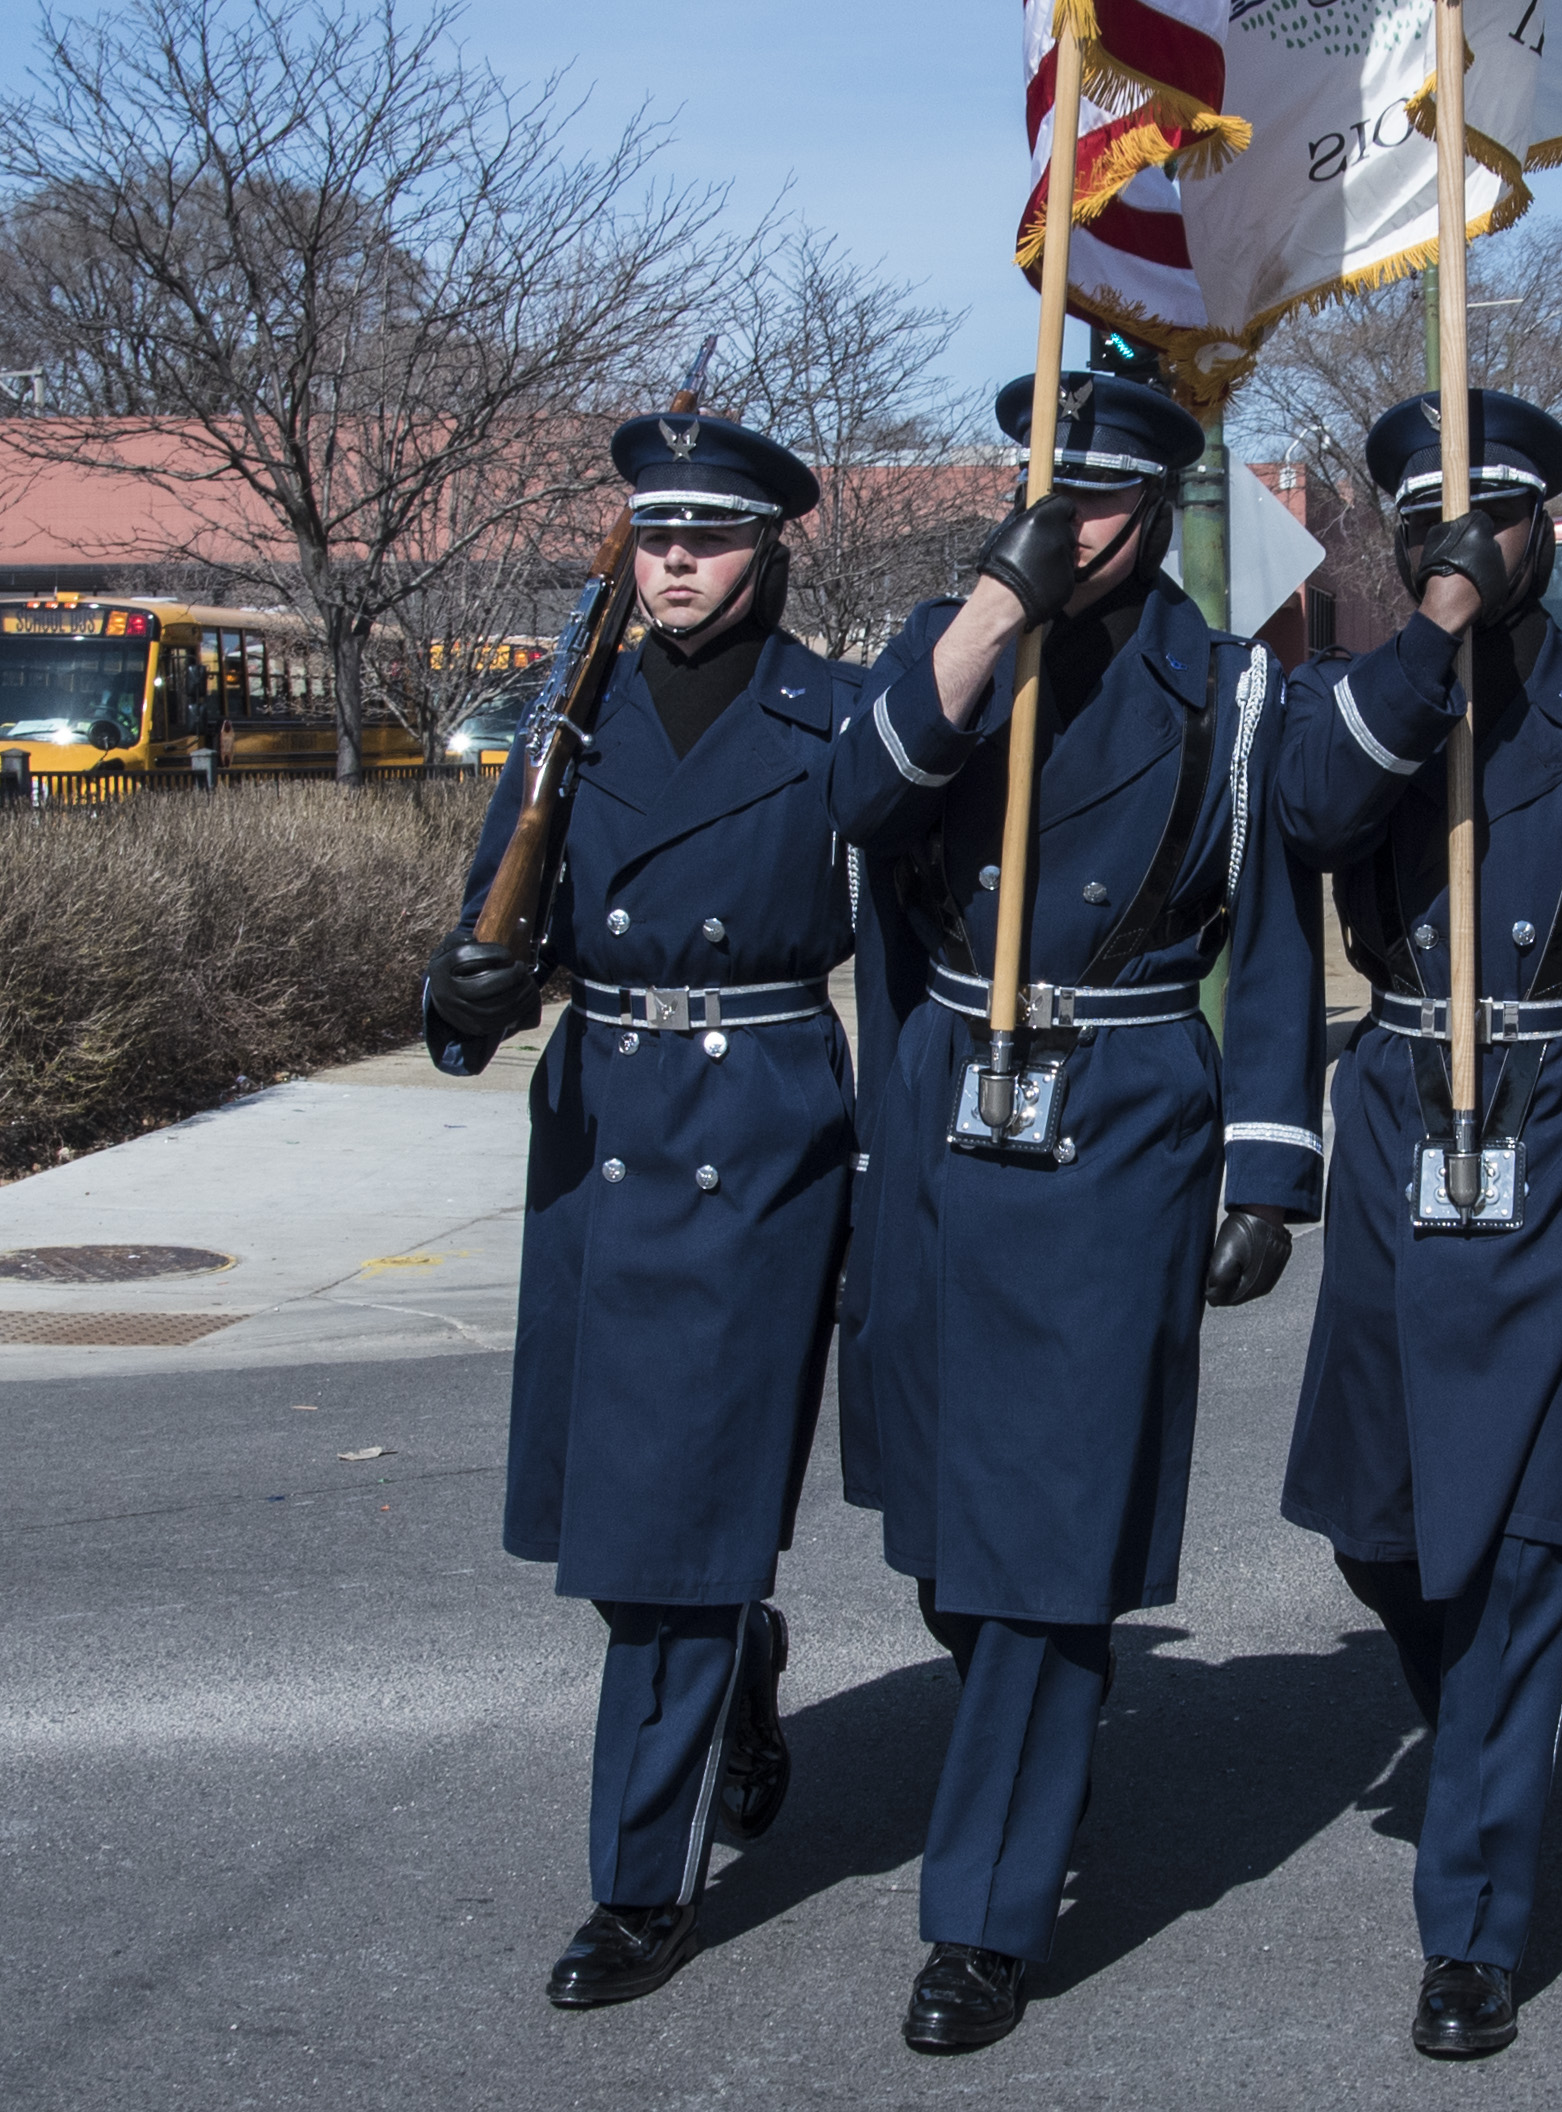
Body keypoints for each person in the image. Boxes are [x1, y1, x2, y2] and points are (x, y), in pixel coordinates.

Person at [826, 370, 1326, 2053]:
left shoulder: (1228, 688)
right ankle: (1035, 1751)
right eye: (1048, 490)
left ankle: (982, 1913)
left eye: (1102, 500)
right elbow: (864, 803)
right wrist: (994, 609)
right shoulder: (947, 643)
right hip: (944, 1102)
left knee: (1045, 1534)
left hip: (1115, 1109)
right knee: (948, 1529)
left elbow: (1269, 938)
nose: (1070, 523)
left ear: (1159, 509)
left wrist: (1268, 1163)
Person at [1271, 388, 1562, 2059]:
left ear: (1545, 526)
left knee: (1521, 1546)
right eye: (1432, 526)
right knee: (1378, 1528)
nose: (1467, 541)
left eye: (1499, 518)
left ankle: (1469, 1927)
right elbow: (1312, 814)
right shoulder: (1356, 703)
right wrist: (1431, 638)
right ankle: (1482, 1733)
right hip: (1400, 1106)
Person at [421, 414, 862, 2008]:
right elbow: (496, 922)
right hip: (600, 1121)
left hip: (753, 1128)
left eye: (710, 536)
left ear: (768, 551)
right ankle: (738, 1653)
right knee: (609, 1518)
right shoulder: (575, 717)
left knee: (676, 1530)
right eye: (656, 535)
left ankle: (636, 1888)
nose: (677, 562)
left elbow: (898, 939)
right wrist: (465, 991)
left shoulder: (836, 719)